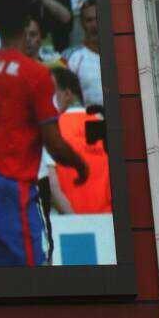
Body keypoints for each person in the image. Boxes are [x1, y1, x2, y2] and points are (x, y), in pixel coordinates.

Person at [0, 0, 89, 267]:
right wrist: (80, 164)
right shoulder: (35, 74)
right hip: (13, 188)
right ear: (26, 24)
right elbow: (54, 143)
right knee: (28, 276)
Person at [43, 67, 112, 215]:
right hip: (108, 220)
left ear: (67, 94)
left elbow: (52, 186)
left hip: (71, 222)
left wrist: (77, 221)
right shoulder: (104, 125)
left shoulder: (51, 130)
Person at [63, 0, 103, 108]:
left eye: (98, 18)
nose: (94, 25)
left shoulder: (119, 54)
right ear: (82, 23)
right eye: (89, 20)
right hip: (85, 116)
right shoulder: (68, 56)